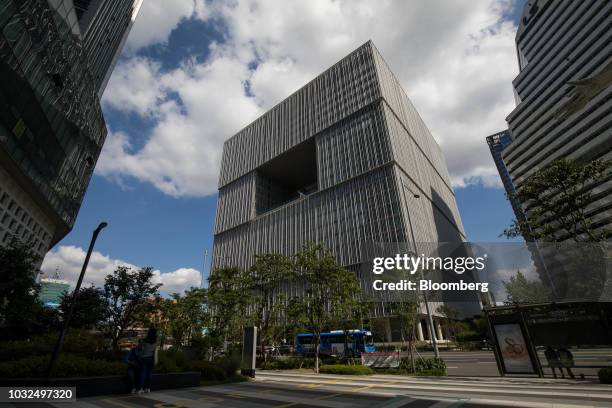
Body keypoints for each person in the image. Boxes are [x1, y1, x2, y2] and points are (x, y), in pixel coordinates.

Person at [138, 328, 158, 394]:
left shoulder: (145, 340)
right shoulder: (155, 341)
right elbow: (155, 351)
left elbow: (140, 347)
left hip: (144, 358)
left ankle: (141, 388)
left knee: (143, 373)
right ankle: (148, 388)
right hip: (151, 359)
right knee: (149, 374)